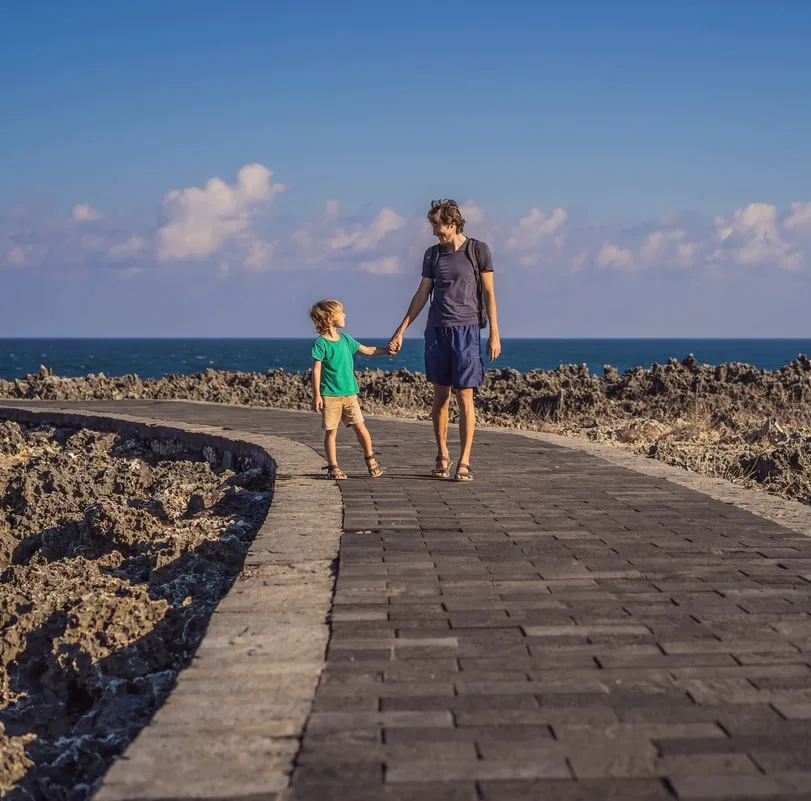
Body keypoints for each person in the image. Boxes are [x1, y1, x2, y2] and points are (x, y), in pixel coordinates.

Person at [388, 199, 501, 482]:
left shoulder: (478, 251)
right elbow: (421, 294)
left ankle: (464, 460)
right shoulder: (433, 255)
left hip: (467, 331)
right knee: (440, 397)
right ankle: (442, 455)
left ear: (451, 222)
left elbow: (489, 294)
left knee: (465, 397)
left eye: (437, 225)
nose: (434, 231)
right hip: (437, 331)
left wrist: (495, 334)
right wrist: (401, 329)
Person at [309, 299, 388, 480]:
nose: (344, 315)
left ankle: (371, 460)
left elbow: (367, 350)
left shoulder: (346, 340)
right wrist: (317, 396)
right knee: (331, 432)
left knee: (361, 428)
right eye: (340, 312)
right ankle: (333, 467)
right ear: (329, 318)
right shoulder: (321, 344)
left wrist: (386, 351)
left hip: (350, 394)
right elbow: (316, 369)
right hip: (330, 396)